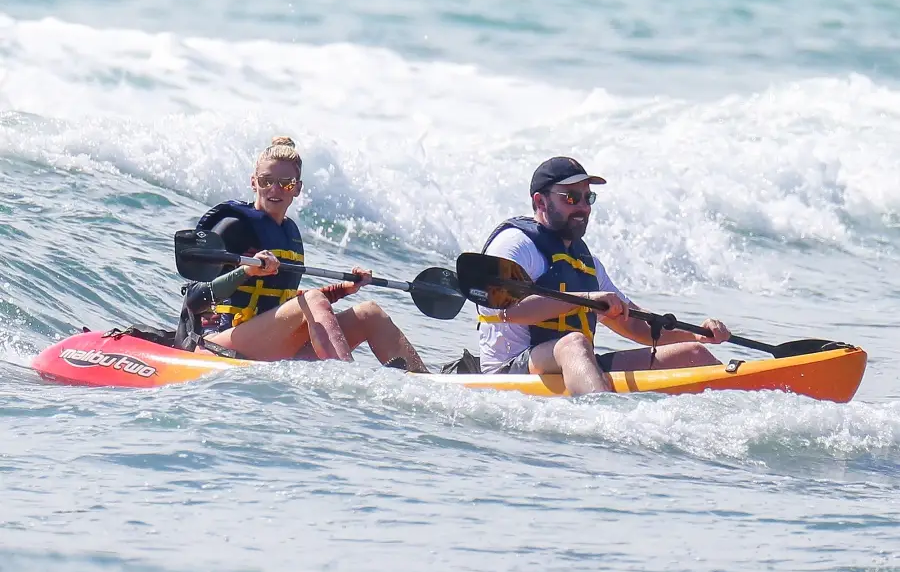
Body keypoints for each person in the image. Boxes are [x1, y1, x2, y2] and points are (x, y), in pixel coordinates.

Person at [476, 156, 731, 395]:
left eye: (589, 198)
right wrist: (585, 298)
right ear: (541, 201)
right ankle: (606, 418)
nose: (584, 208)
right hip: (511, 369)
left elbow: (632, 324)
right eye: (572, 198)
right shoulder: (515, 245)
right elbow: (508, 311)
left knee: (694, 354)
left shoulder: (587, 263)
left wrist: (697, 334)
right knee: (573, 342)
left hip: (576, 361)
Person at [173, 136, 428, 372]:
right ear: (253, 182)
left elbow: (284, 304)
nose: (275, 189)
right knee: (314, 298)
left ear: (298, 188)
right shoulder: (233, 227)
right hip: (221, 344)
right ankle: (346, 378)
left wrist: (344, 289)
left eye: (286, 183)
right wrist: (245, 271)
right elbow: (195, 300)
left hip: (270, 343)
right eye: (266, 181)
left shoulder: (291, 234)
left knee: (370, 313)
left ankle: (423, 382)